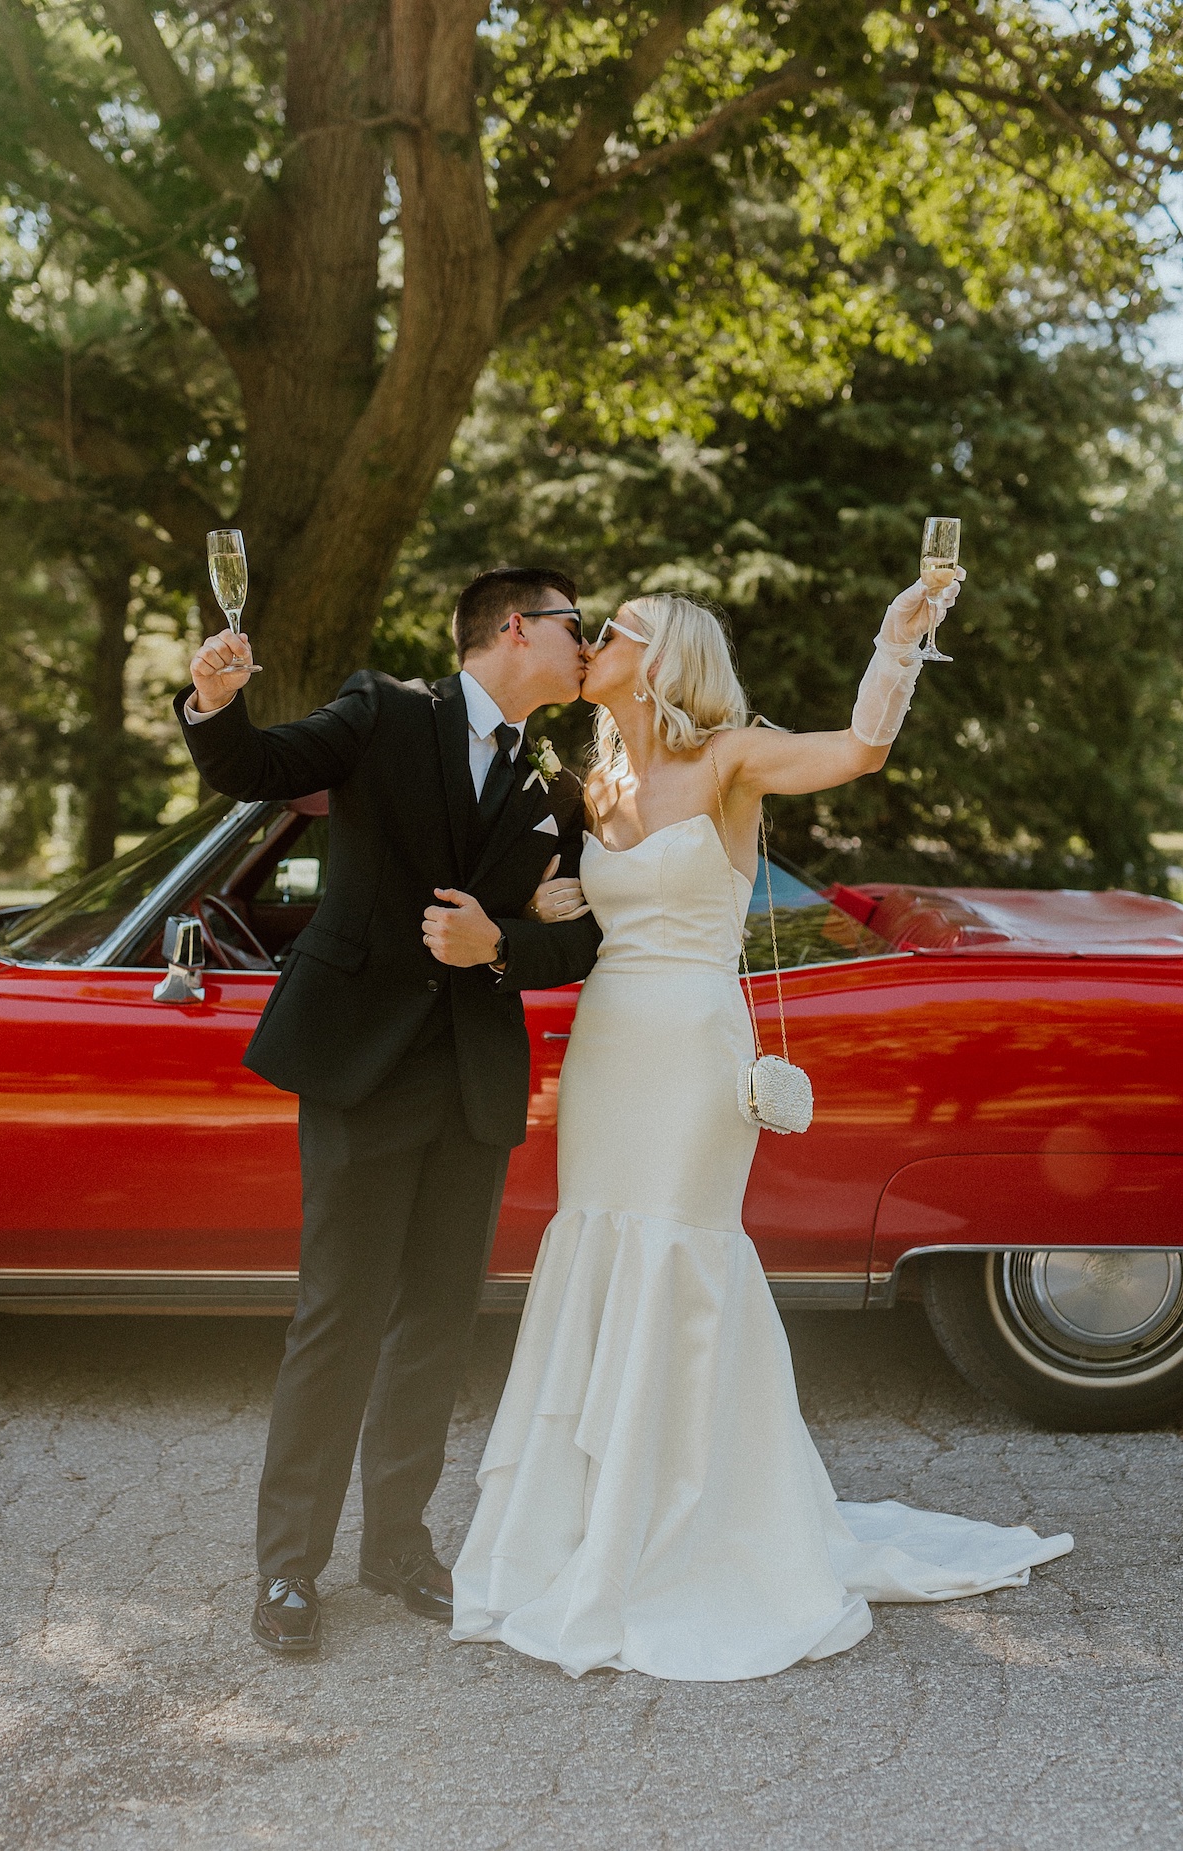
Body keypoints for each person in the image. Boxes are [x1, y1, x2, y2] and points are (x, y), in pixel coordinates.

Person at [451, 578, 1073, 1681]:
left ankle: (701, 1521)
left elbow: (862, 749)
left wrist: (894, 641)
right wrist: (534, 914)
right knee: (598, 1231)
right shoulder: (594, 778)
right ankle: (592, 1516)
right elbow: (550, 901)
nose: (593, 643)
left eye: (617, 632)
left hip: (694, 1040)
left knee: (679, 1250)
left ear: (663, 655)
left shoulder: (731, 757)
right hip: (610, 1045)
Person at [175, 567, 601, 1655]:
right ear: (515, 629)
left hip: (471, 1077)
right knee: (340, 1316)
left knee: (436, 1326)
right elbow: (259, 768)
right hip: (362, 1066)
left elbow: (584, 934)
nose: (585, 644)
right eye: (572, 627)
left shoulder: (556, 779)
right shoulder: (382, 712)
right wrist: (217, 703)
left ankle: (399, 1545)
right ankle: (287, 1572)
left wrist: (501, 943)